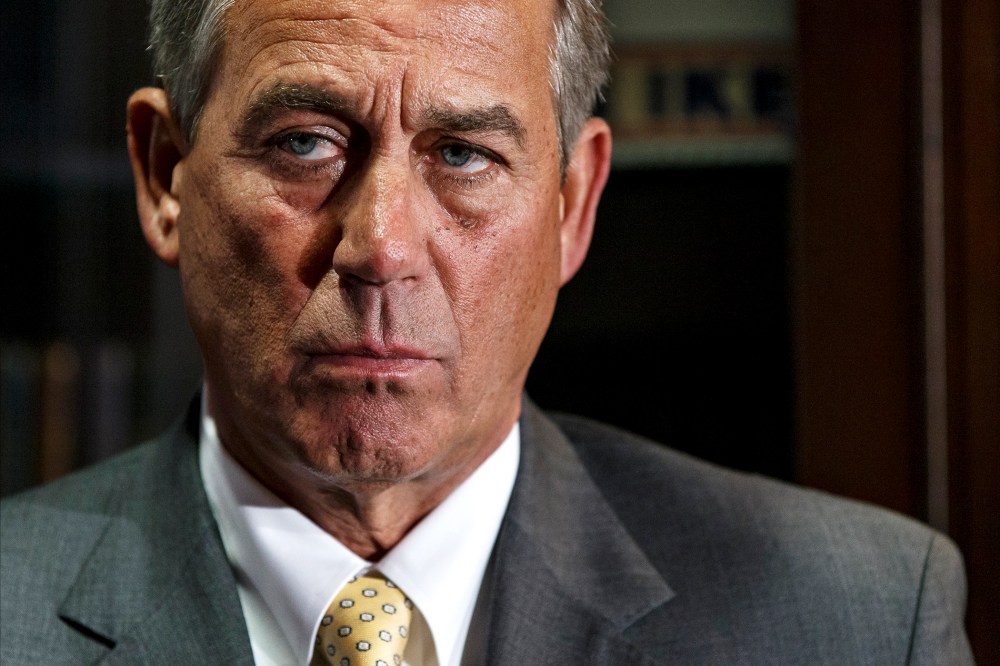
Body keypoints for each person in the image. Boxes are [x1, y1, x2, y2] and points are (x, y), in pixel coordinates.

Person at [0, 0, 975, 663]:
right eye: (305, 143)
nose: (381, 248)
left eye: (463, 155)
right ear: (165, 174)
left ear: (573, 205)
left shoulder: (852, 618)